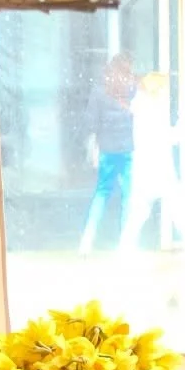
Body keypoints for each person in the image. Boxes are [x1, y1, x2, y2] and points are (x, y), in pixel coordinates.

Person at [79, 53, 136, 255]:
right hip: (128, 150)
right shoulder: (130, 90)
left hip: (107, 150)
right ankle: (126, 243)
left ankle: (87, 240)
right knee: (129, 196)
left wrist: (94, 144)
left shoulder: (100, 91)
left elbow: (90, 122)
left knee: (102, 193)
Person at [121, 70, 184, 253]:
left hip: (145, 166)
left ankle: (126, 247)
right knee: (175, 207)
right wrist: (182, 125)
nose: (165, 91)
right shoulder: (152, 110)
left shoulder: (142, 108)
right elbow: (166, 137)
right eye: (163, 88)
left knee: (139, 212)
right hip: (158, 167)